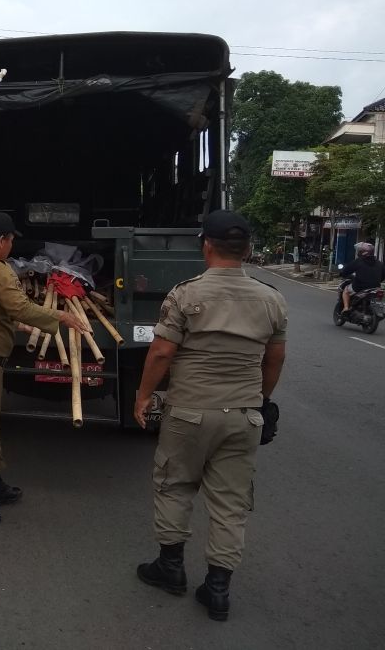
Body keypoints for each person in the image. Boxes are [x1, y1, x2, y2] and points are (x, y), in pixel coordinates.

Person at [133, 210, 287, 622]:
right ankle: (217, 589)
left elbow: (163, 351)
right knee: (231, 504)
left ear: (206, 246)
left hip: (190, 412)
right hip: (243, 415)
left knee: (175, 486)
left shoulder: (185, 295)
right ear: (249, 250)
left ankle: (170, 568)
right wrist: (260, 399)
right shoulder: (271, 298)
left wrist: (144, 396)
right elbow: (274, 359)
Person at [0, 212, 91, 526]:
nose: (11, 244)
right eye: (11, 239)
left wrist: (16, 325)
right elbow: (19, 306)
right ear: (1, 241)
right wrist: (61, 318)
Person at [339, 242, 385, 312]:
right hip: (375, 287)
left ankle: (345, 308)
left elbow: (347, 270)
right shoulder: (379, 263)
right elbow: (383, 276)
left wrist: (342, 274)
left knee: (346, 290)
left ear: (364, 252)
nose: (359, 252)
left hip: (360, 287)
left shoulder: (359, 261)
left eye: (360, 251)